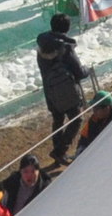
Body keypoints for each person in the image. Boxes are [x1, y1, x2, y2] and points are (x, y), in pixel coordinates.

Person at [35, 14, 88, 166]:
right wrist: (87, 71)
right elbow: (78, 71)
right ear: (67, 28)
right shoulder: (65, 47)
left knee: (58, 119)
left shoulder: (42, 44)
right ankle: (60, 151)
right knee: (77, 118)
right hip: (67, 91)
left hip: (49, 89)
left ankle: (57, 150)